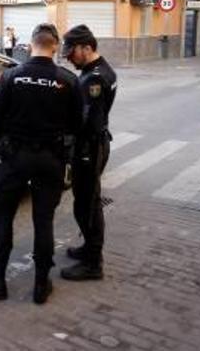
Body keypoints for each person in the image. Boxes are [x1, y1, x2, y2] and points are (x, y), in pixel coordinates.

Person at [0, 23, 83, 305]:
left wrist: (2, 146)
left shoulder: (11, 77)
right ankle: (41, 285)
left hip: (13, 157)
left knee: (2, 217)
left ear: (30, 44)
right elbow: (78, 125)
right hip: (50, 160)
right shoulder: (67, 80)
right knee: (44, 221)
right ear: (54, 47)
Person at [59, 25, 117, 282]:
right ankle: (88, 250)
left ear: (87, 47)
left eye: (72, 52)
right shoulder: (100, 70)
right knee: (86, 202)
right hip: (94, 145)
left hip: (89, 149)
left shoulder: (93, 78)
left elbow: (87, 122)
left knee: (88, 205)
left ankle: (93, 263)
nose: (69, 57)